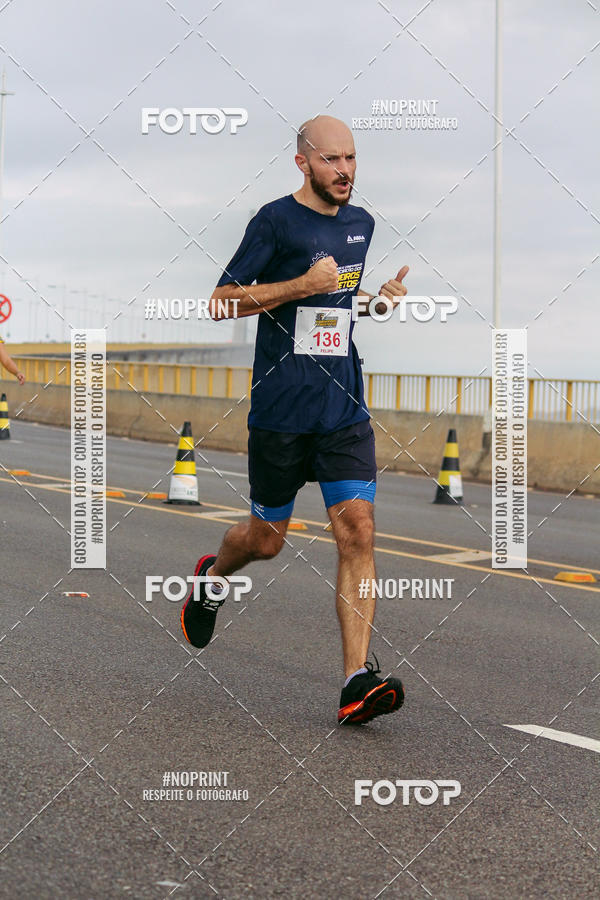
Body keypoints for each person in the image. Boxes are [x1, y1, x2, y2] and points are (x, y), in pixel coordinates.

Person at [181, 115, 409, 725]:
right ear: (303, 162)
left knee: (357, 529)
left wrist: (377, 301)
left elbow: (338, 303)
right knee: (266, 541)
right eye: (332, 160)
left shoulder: (361, 226)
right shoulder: (274, 221)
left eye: (353, 159)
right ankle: (210, 577)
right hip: (282, 410)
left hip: (342, 408)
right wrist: (299, 283)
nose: (345, 171)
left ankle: (356, 681)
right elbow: (222, 301)